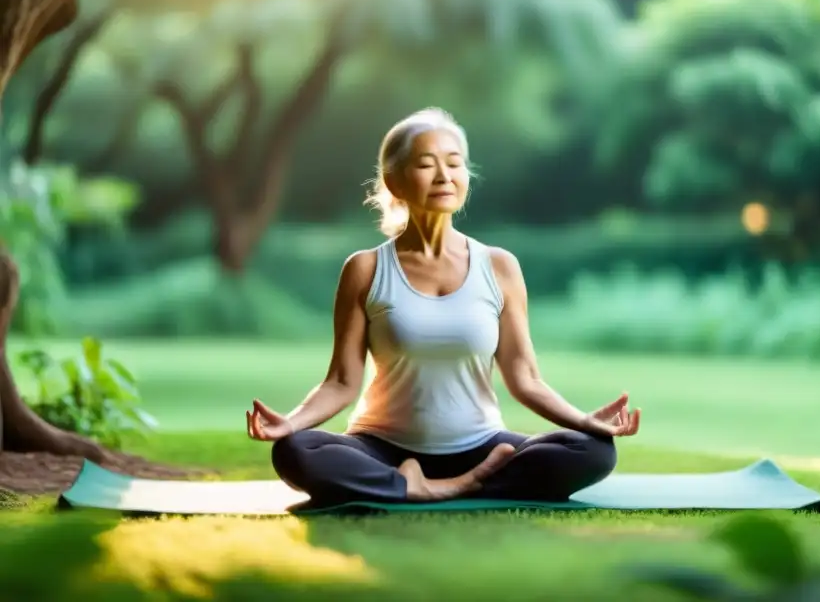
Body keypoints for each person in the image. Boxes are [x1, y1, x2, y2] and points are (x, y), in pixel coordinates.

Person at [246, 107, 641, 505]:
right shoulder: (365, 269)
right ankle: (423, 484)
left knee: (593, 451)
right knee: (296, 451)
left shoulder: (499, 267)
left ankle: (446, 483)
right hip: (383, 446)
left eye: (454, 163)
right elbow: (341, 382)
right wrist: (290, 423)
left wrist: (585, 421)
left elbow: (524, 377)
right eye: (425, 164)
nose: (444, 176)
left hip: (481, 446)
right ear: (394, 180)